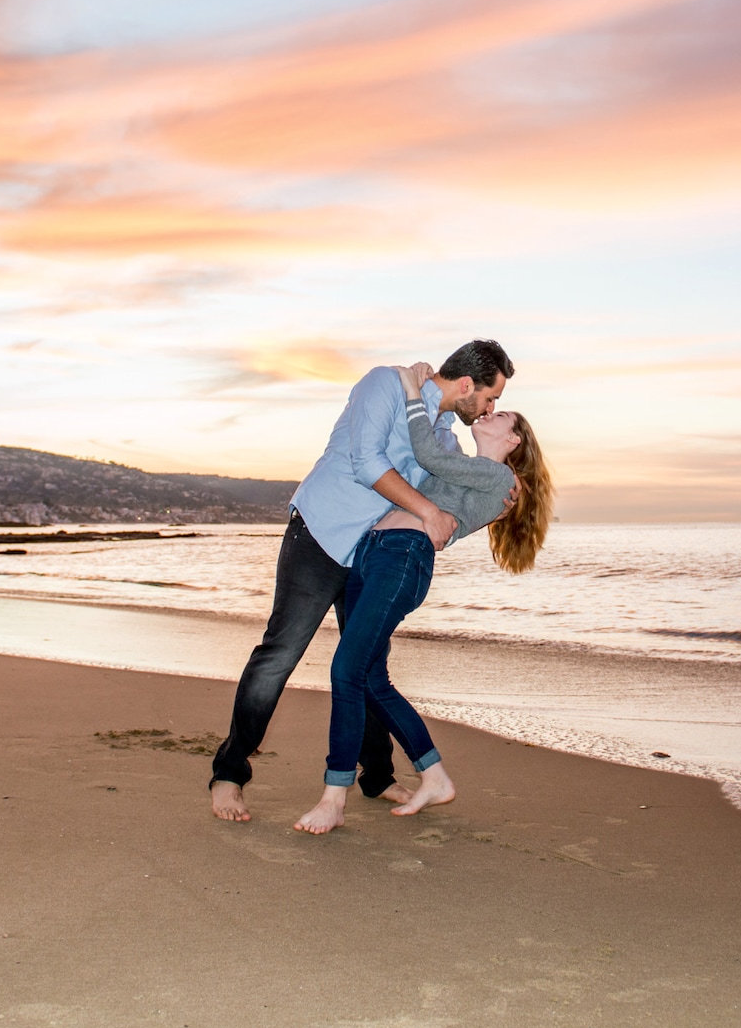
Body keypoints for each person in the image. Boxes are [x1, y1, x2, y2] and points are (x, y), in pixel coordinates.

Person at [208, 340, 516, 822]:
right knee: (280, 654)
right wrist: (430, 510)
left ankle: (377, 777)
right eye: (490, 397)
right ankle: (229, 774)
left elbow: (442, 520)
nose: (490, 408)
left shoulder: (445, 440)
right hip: (321, 533)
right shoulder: (385, 385)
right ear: (465, 385)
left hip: (371, 553)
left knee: (367, 665)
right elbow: (367, 463)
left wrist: (492, 493)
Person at [294, 363, 553, 834]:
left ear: (512, 442)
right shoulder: (471, 466)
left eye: (501, 413)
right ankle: (432, 774)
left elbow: (428, 453)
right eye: (491, 402)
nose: (490, 413)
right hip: (371, 553)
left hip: (401, 559)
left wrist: (414, 392)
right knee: (371, 679)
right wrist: (428, 401)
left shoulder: (497, 482)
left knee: (346, 671)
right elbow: (425, 450)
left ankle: (334, 797)